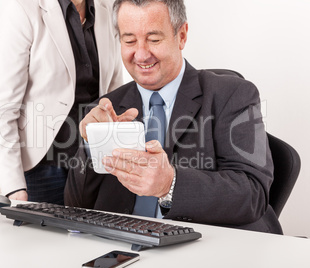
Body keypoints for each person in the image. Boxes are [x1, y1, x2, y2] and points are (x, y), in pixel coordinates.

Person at [64, 0, 283, 234]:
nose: (141, 54)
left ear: (181, 36)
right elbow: (76, 207)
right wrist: (91, 146)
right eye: (129, 41)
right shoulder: (107, 108)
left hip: (207, 245)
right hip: (126, 248)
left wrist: (169, 185)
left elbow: (253, 194)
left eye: (154, 39)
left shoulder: (233, 95)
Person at [0, 0, 123, 204]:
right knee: (44, 236)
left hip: (95, 166)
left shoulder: (108, 9)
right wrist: (14, 187)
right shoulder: (23, 10)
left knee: (95, 236)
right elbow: (3, 108)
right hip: (44, 169)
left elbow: (113, 91)